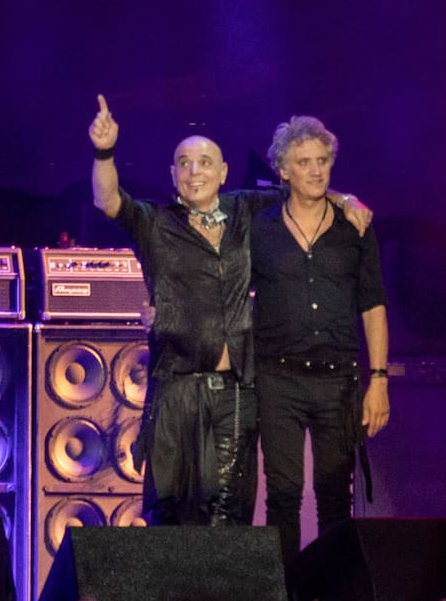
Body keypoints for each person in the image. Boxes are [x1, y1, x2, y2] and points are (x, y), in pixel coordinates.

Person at [88, 96, 369, 527]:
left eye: (204, 163)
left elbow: (303, 187)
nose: (194, 171)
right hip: (176, 389)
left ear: (222, 173)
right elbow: (109, 201)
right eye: (184, 163)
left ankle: (226, 595)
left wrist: (345, 196)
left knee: (227, 511)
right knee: (171, 510)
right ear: (173, 174)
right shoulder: (155, 222)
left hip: (237, 390)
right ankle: (172, 594)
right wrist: (104, 151)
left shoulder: (245, 210)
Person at [250, 115, 390, 569]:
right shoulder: (261, 225)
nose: (315, 170)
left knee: (335, 495)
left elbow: (373, 304)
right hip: (278, 379)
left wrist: (380, 379)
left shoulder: (356, 226)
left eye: (323, 161)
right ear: (283, 170)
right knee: (284, 496)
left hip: (338, 380)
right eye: (303, 162)